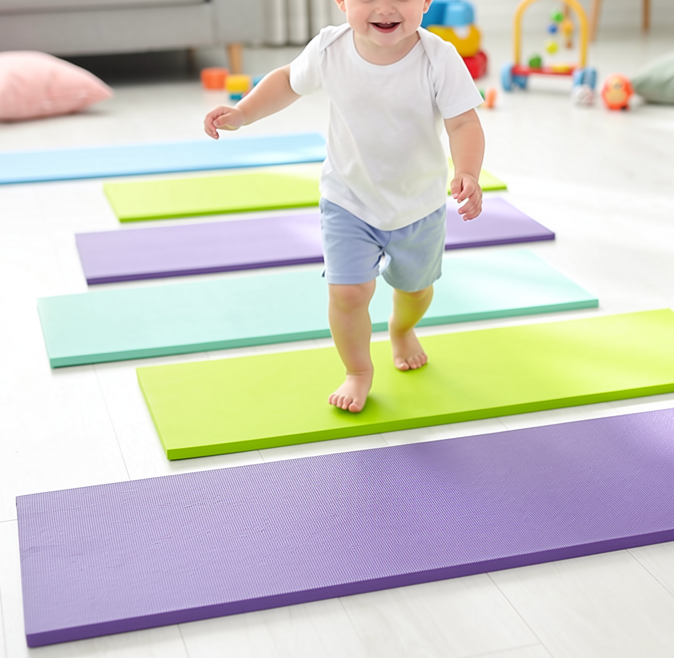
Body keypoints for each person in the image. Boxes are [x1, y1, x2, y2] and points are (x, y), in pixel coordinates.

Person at [203, 0, 485, 413]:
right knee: (348, 293)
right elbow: (286, 81)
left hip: (418, 206)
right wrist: (243, 112)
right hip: (347, 200)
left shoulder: (438, 57)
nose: (385, 8)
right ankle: (357, 370)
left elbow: (463, 122)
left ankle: (401, 328)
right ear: (342, 1)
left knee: (415, 290)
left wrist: (468, 172)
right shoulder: (328, 49)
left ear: (426, 2)